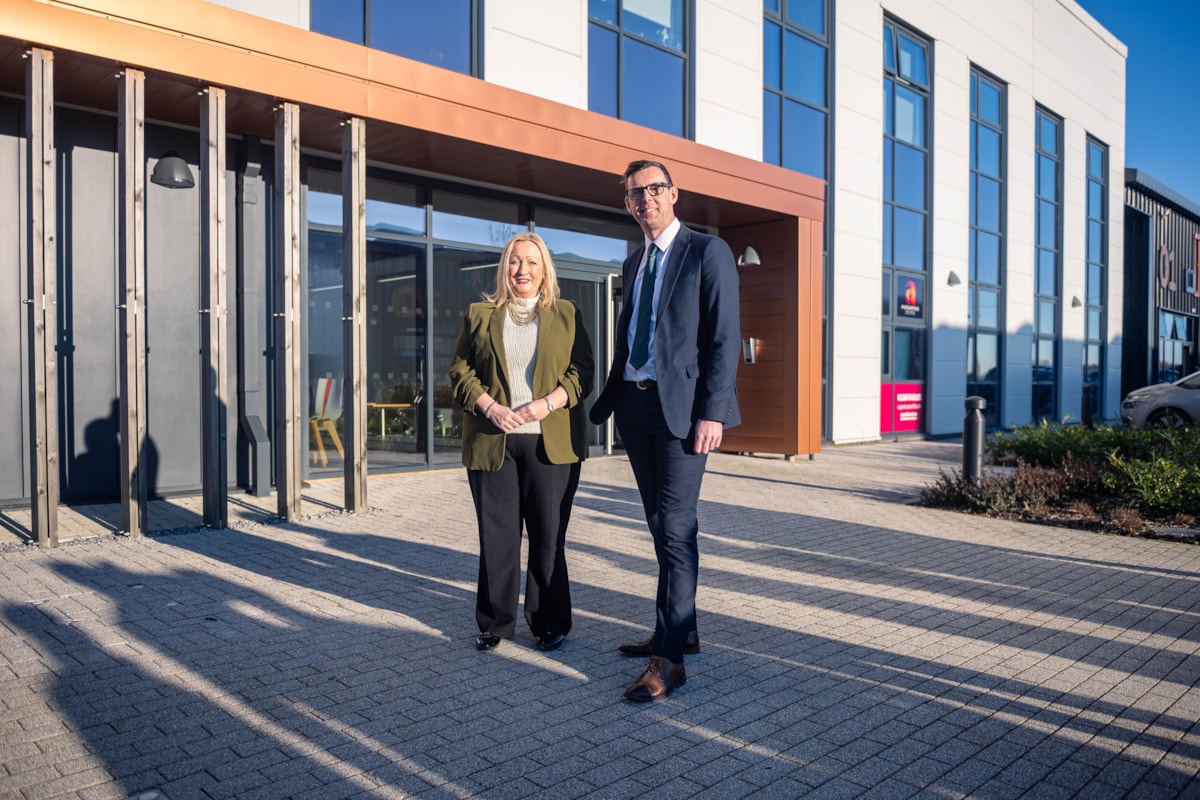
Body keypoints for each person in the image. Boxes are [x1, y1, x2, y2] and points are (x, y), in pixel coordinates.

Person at [589, 159, 741, 701]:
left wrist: (714, 412)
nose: (644, 198)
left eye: (654, 188)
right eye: (634, 193)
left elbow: (723, 339)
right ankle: (681, 627)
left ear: (674, 193)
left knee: (676, 528)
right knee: (660, 525)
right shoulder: (633, 263)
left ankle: (670, 660)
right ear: (628, 204)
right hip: (635, 408)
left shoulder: (707, 252)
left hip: (682, 413)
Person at [450, 232, 594, 653]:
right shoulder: (478, 314)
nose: (522, 271)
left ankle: (548, 622)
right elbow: (460, 371)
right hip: (494, 440)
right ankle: (497, 622)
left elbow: (583, 372)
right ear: (504, 268)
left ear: (544, 269)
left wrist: (548, 403)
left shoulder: (567, 314)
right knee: (497, 537)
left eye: (532, 262)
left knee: (549, 537)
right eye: (515, 262)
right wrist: (491, 407)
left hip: (550, 444)